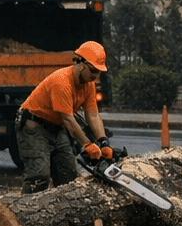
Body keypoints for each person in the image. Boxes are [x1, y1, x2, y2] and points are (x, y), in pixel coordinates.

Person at [15, 40, 113, 194]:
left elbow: (92, 115)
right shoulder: (62, 82)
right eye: (93, 70)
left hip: (57, 128)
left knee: (68, 177)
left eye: (99, 72)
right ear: (81, 64)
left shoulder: (88, 85)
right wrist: (87, 145)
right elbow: (68, 119)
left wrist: (103, 141)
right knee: (39, 176)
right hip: (34, 127)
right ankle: (24, 213)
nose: (96, 75)